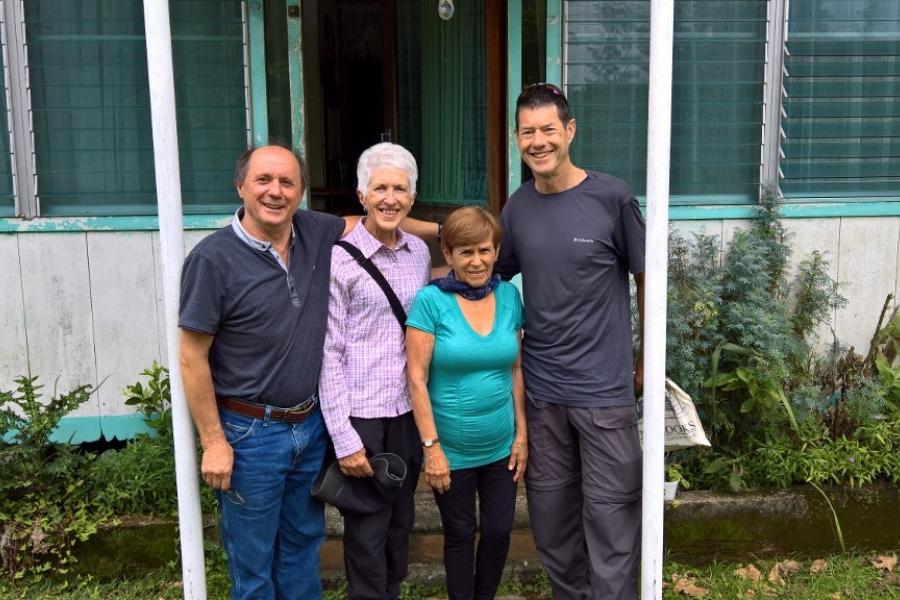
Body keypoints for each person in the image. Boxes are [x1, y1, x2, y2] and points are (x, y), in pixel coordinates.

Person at [178, 144, 436, 600]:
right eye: (263, 180)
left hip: (308, 426)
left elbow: (378, 216)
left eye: (287, 182)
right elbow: (191, 357)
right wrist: (214, 442)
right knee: (254, 561)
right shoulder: (212, 260)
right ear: (241, 186)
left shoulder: (314, 232)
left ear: (301, 193)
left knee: (301, 548)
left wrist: (448, 230)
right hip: (249, 433)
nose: (275, 192)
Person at [496, 83, 646, 600]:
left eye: (547, 130)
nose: (538, 141)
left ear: (570, 131)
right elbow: (487, 276)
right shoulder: (516, 210)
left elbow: (646, 278)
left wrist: (646, 357)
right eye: (527, 131)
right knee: (553, 522)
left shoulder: (612, 197)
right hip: (543, 397)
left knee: (610, 521)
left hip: (604, 394)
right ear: (517, 138)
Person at [318, 142, 431, 600]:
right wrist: (344, 438)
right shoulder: (338, 258)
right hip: (361, 415)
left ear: (411, 196)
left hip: (406, 411)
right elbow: (328, 353)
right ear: (361, 194)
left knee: (402, 523)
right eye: (380, 187)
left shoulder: (419, 253)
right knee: (366, 531)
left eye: (399, 188)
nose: (390, 198)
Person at [406, 206, 527, 600]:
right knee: (459, 535)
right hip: (451, 451)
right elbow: (416, 378)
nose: (476, 261)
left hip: (500, 447)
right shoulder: (430, 302)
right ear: (448, 252)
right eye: (465, 252)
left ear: (496, 251)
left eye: (484, 250)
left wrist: (522, 434)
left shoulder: (509, 296)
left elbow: (515, 370)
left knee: (497, 531)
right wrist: (431, 448)